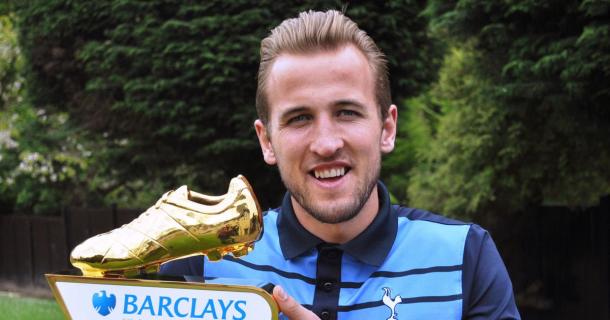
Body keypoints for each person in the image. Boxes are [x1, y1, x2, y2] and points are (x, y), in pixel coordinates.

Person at [161, 10, 520, 320]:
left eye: (347, 112)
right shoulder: (202, 262)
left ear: (387, 128)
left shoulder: (464, 258)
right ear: (267, 141)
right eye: (300, 118)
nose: (327, 143)